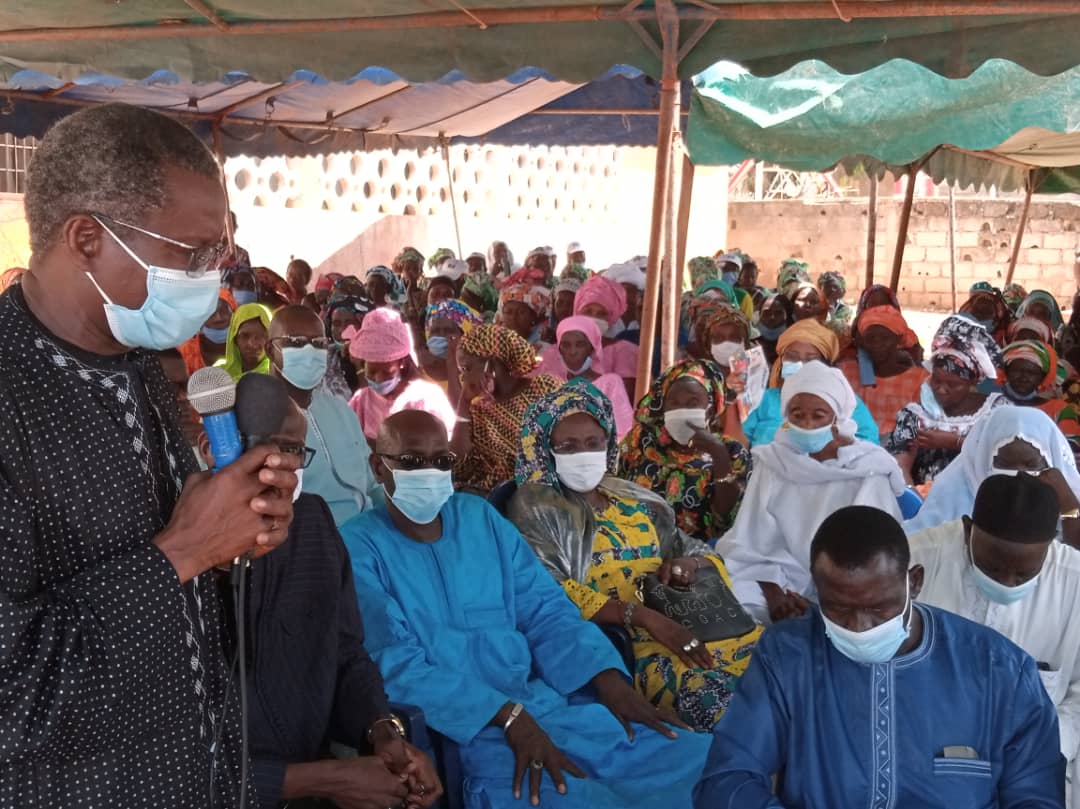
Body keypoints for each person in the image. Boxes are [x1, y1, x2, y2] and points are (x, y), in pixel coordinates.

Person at [1, 102, 300, 805]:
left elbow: (177, 565)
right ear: (86, 238)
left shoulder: (137, 361)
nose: (212, 279)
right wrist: (184, 551)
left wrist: (229, 532)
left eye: (219, 254)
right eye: (192, 254)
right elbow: (12, 696)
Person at [342, 410, 712, 809]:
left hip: (549, 705)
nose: (429, 472)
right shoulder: (357, 546)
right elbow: (393, 664)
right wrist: (507, 715)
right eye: (412, 461)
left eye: (442, 460)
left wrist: (612, 684)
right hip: (467, 734)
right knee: (579, 799)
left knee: (703, 762)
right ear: (378, 467)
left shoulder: (479, 518)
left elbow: (545, 612)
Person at [695, 505, 1065, 809]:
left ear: (914, 583)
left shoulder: (998, 668)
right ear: (816, 589)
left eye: (879, 608)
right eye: (838, 609)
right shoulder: (788, 655)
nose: (859, 626)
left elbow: (1036, 796)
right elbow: (728, 781)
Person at [201, 401, 442, 809]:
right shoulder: (181, 552)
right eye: (269, 447)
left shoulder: (313, 523)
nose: (285, 465)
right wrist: (326, 779)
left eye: (294, 450)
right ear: (215, 449)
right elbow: (167, 768)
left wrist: (381, 729)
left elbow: (344, 651)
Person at [510, 380, 762, 731]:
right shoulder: (537, 506)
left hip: (697, 621)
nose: (583, 454)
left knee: (786, 673)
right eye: (567, 446)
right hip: (633, 644)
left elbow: (694, 549)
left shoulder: (632, 498)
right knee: (725, 705)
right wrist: (642, 617)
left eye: (593, 443)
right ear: (544, 450)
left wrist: (688, 564)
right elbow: (546, 590)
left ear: (608, 443)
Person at [910, 473, 1080, 806]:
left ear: (1049, 546)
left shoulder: (1074, 583)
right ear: (967, 529)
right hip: (924, 756)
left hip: (1036, 761)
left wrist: (1037, 748)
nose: (1007, 582)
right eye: (991, 567)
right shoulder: (916, 561)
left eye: (1024, 574)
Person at [717, 363, 905, 623]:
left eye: (818, 416)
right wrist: (774, 594)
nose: (807, 424)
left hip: (846, 583)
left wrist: (823, 598)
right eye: (797, 415)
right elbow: (751, 542)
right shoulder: (773, 462)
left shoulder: (867, 471)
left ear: (837, 418)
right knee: (734, 601)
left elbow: (873, 556)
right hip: (776, 579)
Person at [269, 305, 381, 526]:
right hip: (307, 536)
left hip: (365, 529)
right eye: (296, 342)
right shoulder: (257, 416)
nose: (309, 351)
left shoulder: (340, 410)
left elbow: (372, 484)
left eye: (319, 343)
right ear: (270, 350)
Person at [619, 359, 752, 540]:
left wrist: (719, 456)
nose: (681, 409)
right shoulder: (641, 440)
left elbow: (729, 519)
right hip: (635, 545)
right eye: (673, 402)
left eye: (693, 402)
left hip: (699, 552)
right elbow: (612, 487)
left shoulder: (731, 451)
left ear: (711, 408)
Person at [905, 406, 1080, 536]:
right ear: (983, 461)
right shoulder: (953, 491)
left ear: (1051, 463)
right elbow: (918, 544)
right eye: (1005, 464)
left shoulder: (1063, 494)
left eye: (1031, 464)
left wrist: (1067, 501)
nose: (1019, 475)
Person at [888, 314, 1008, 488]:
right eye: (936, 381)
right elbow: (899, 467)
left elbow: (1006, 456)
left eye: (953, 384)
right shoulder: (915, 415)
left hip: (982, 498)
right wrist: (916, 497)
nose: (941, 390)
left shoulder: (997, 410)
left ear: (972, 382)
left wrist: (955, 442)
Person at [454, 324, 562, 492]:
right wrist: (464, 404)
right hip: (502, 493)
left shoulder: (545, 388)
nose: (463, 377)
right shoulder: (478, 409)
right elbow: (459, 466)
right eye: (460, 371)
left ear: (491, 363)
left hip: (552, 484)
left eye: (466, 369)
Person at [739, 318, 879, 447]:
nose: (800, 364)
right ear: (781, 362)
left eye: (810, 359)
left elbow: (869, 443)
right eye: (792, 357)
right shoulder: (763, 400)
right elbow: (739, 441)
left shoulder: (844, 402)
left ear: (825, 365)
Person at [345, 307, 456, 443]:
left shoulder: (426, 398)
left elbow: (445, 444)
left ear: (402, 363)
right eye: (372, 372)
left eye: (387, 372)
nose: (379, 379)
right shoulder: (360, 401)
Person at [535, 315, 634, 439]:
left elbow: (623, 432)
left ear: (592, 348)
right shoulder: (551, 385)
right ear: (559, 350)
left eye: (580, 344)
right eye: (566, 345)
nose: (573, 352)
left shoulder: (610, 384)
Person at [839, 305, 929, 438]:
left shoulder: (919, 380)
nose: (877, 344)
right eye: (870, 338)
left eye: (885, 338)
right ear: (863, 342)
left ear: (898, 340)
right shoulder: (848, 373)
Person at [574, 274, 639, 395]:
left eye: (601, 314)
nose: (593, 318)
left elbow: (624, 396)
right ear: (577, 313)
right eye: (588, 311)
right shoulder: (561, 350)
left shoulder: (625, 352)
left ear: (611, 318)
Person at [1001, 340, 1080, 435]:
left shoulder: (1059, 410)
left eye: (1032, 373)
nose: (1023, 378)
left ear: (1043, 378)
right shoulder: (990, 404)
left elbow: (1071, 441)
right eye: (1016, 371)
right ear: (1006, 372)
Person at [322, 291, 373, 397]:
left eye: (349, 323)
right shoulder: (324, 355)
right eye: (336, 323)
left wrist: (358, 366)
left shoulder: (377, 357)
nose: (342, 330)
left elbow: (369, 401)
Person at [178, 287, 235, 374]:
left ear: (234, 314)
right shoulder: (185, 352)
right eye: (210, 313)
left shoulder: (246, 346)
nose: (218, 318)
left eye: (224, 311)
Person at [216, 300, 272, 381]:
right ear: (234, 338)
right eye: (245, 336)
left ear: (271, 339)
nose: (252, 345)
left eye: (261, 336)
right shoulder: (217, 375)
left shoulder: (276, 377)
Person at [497, 278, 552, 348]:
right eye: (508, 312)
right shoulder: (495, 341)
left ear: (532, 316)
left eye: (521, 312)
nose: (513, 317)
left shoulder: (543, 346)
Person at [602, 260, 646, 332]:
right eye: (622, 291)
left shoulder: (644, 320)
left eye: (632, 291)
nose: (627, 296)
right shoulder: (606, 319)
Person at [817, 271, 852, 339]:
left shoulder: (845, 310)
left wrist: (830, 306)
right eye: (828, 286)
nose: (832, 290)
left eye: (835, 287)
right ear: (821, 288)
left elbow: (838, 331)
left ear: (841, 291)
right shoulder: (814, 306)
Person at [756, 292, 788, 365]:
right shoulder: (749, 345)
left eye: (778, 313)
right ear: (759, 314)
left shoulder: (793, 344)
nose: (772, 317)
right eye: (767, 312)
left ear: (786, 315)